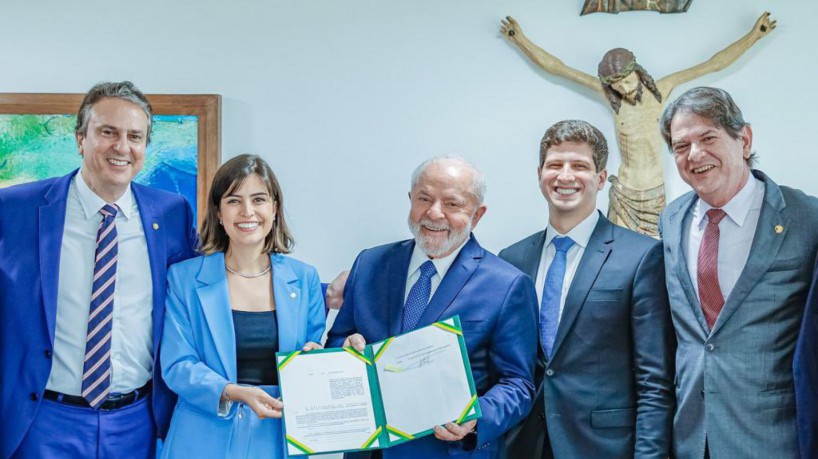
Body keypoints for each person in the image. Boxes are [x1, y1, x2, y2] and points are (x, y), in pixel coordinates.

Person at [0, 81, 198, 458]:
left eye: (134, 136)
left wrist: (318, 292)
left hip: (137, 422)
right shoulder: (13, 210)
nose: (121, 147)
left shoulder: (171, 213)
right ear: (81, 139)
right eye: (108, 132)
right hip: (42, 419)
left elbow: (213, 283)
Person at [327, 156, 538, 459]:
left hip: (447, 451)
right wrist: (345, 347)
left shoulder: (507, 284)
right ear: (410, 200)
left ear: (477, 215)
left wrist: (478, 418)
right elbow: (337, 339)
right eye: (424, 198)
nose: (434, 213)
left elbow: (518, 384)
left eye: (452, 204)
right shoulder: (370, 263)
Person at [500, 12, 776, 236]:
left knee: (658, 262)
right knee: (616, 258)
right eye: (616, 86)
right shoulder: (612, 100)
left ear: (638, 72)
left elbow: (711, 64)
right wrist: (521, 40)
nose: (624, 89)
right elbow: (559, 68)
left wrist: (755, 35)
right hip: (625, 194)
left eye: (627, 80)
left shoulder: (662, 90)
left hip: (655, 194)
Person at [659, 86, 818, 458]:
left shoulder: (806, 218)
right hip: (692, 437)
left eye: (708, 138)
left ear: (743, 139)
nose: (695, 155)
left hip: (771, 435)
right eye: (681, 146)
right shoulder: (671, 220)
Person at [499, 120, 674, 458]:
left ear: (601, 177)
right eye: (555, 165)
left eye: (579, 166)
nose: (565, 176)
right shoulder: (512, 259)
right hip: (524, 443)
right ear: (540, 174)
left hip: (604, 447)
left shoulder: (640, 256)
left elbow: (655, 380)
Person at [160, 154, 326, 458]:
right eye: (234, 201)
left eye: (259, 199)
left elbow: (312, 350)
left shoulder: (304, 280)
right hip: (200, 440)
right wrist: (233, 392)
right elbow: (177, 366)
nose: (247, 211)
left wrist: (315, 358)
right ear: (219, 213)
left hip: (280, 439)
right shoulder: (184, 279)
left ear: (274, 209)